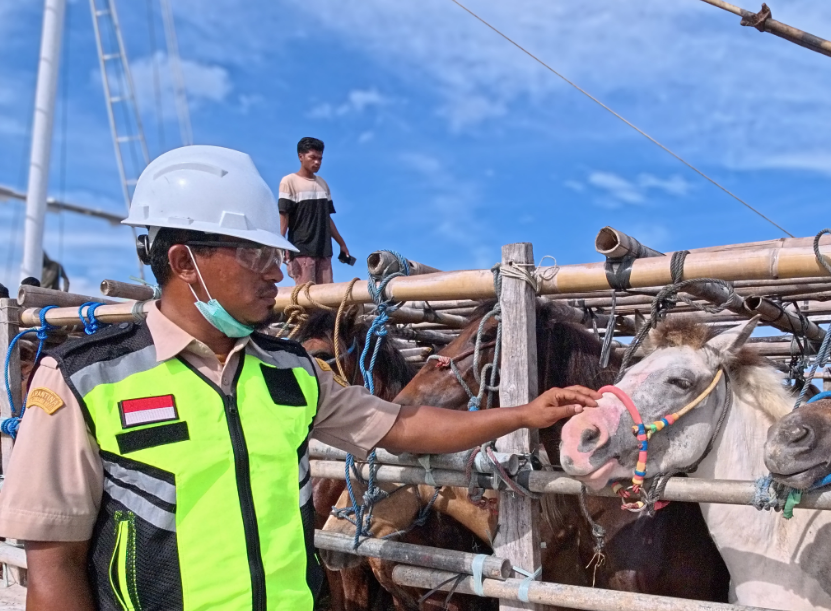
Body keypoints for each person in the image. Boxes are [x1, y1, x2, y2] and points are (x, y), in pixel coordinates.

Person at [0, 145, 598, 611]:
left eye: (277, 255)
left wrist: (522, 414)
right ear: (185, 262)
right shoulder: (84, 382)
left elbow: (402, 425)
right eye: (256, 255)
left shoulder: (289, 372)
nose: (276, 273)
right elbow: (53, 565)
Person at [278, 137, 350, 285]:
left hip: (324, 250)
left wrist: (341, 243)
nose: (317, 162)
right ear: (300, 156)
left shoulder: (322, 184)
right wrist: (280, 244)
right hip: (301, 250)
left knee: (326, 299)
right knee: (306, 297)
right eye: (313, 158)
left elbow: (327, 219)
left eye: (320, 159)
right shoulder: (289, 181)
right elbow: (284, 216)